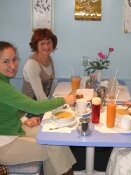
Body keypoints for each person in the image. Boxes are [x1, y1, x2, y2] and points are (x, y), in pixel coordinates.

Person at [0, 41, 76, 175]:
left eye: (14, 59)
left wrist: (24, 120)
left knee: (56, 137)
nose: (12, 65)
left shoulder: (4, 81)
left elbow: (7, 108)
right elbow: (35, 107)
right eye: (5, 61)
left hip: (13, 130)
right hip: (4, 145)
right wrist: (65, 99)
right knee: (55, 147)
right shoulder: (2, 86)